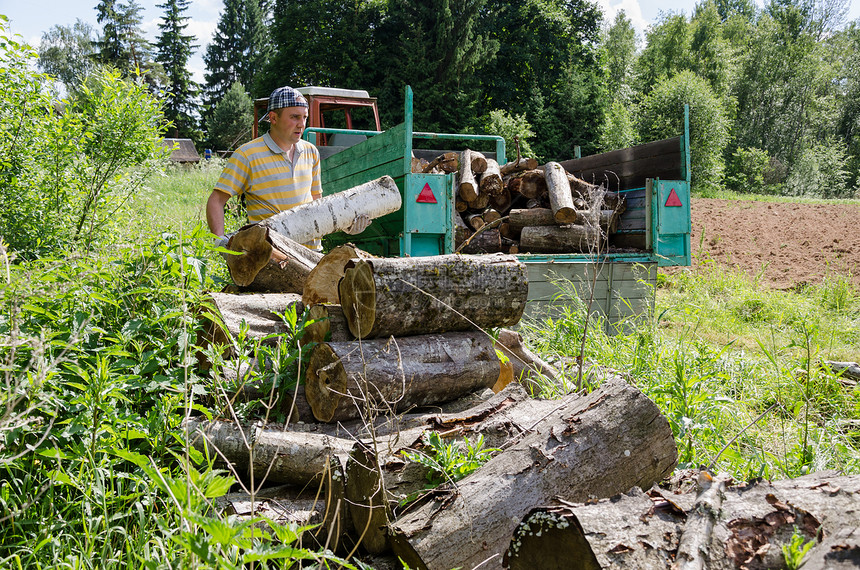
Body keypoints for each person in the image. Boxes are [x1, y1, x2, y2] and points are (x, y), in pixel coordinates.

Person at [205, 85, 369, 250]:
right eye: (295, 117)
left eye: (304, 117)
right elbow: (216, 201)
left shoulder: (311, 152)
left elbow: (317, 204)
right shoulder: (247, 155)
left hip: (311, 253)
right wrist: (220, 241)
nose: (301, 124)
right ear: (273, 118)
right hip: (270, 256)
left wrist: (346, 225)